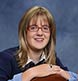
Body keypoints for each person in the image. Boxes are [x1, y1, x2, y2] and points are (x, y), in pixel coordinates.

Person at [0, 6, 78, 81]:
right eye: (33, 28)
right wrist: (31, 73)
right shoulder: (6, 58)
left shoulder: (52, 58)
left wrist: (65, 74)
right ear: (24, 32)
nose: (40, 33)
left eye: (45, 28)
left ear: (51, 33)